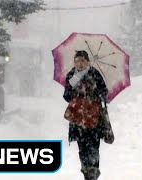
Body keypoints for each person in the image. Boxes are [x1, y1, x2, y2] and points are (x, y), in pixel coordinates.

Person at [63, 50, 108, 180]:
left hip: (93, 117)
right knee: (82, 149)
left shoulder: (94, 73)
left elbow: (104, 92)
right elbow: (66, 96)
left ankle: (93, 173)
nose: (80, 63)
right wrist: (74, 85)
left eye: (82, 60)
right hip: (78, 118)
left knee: (94, 147)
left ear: (87, 61)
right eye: (77, 60)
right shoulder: (71, 75)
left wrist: (94, 93)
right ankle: (86, 172)